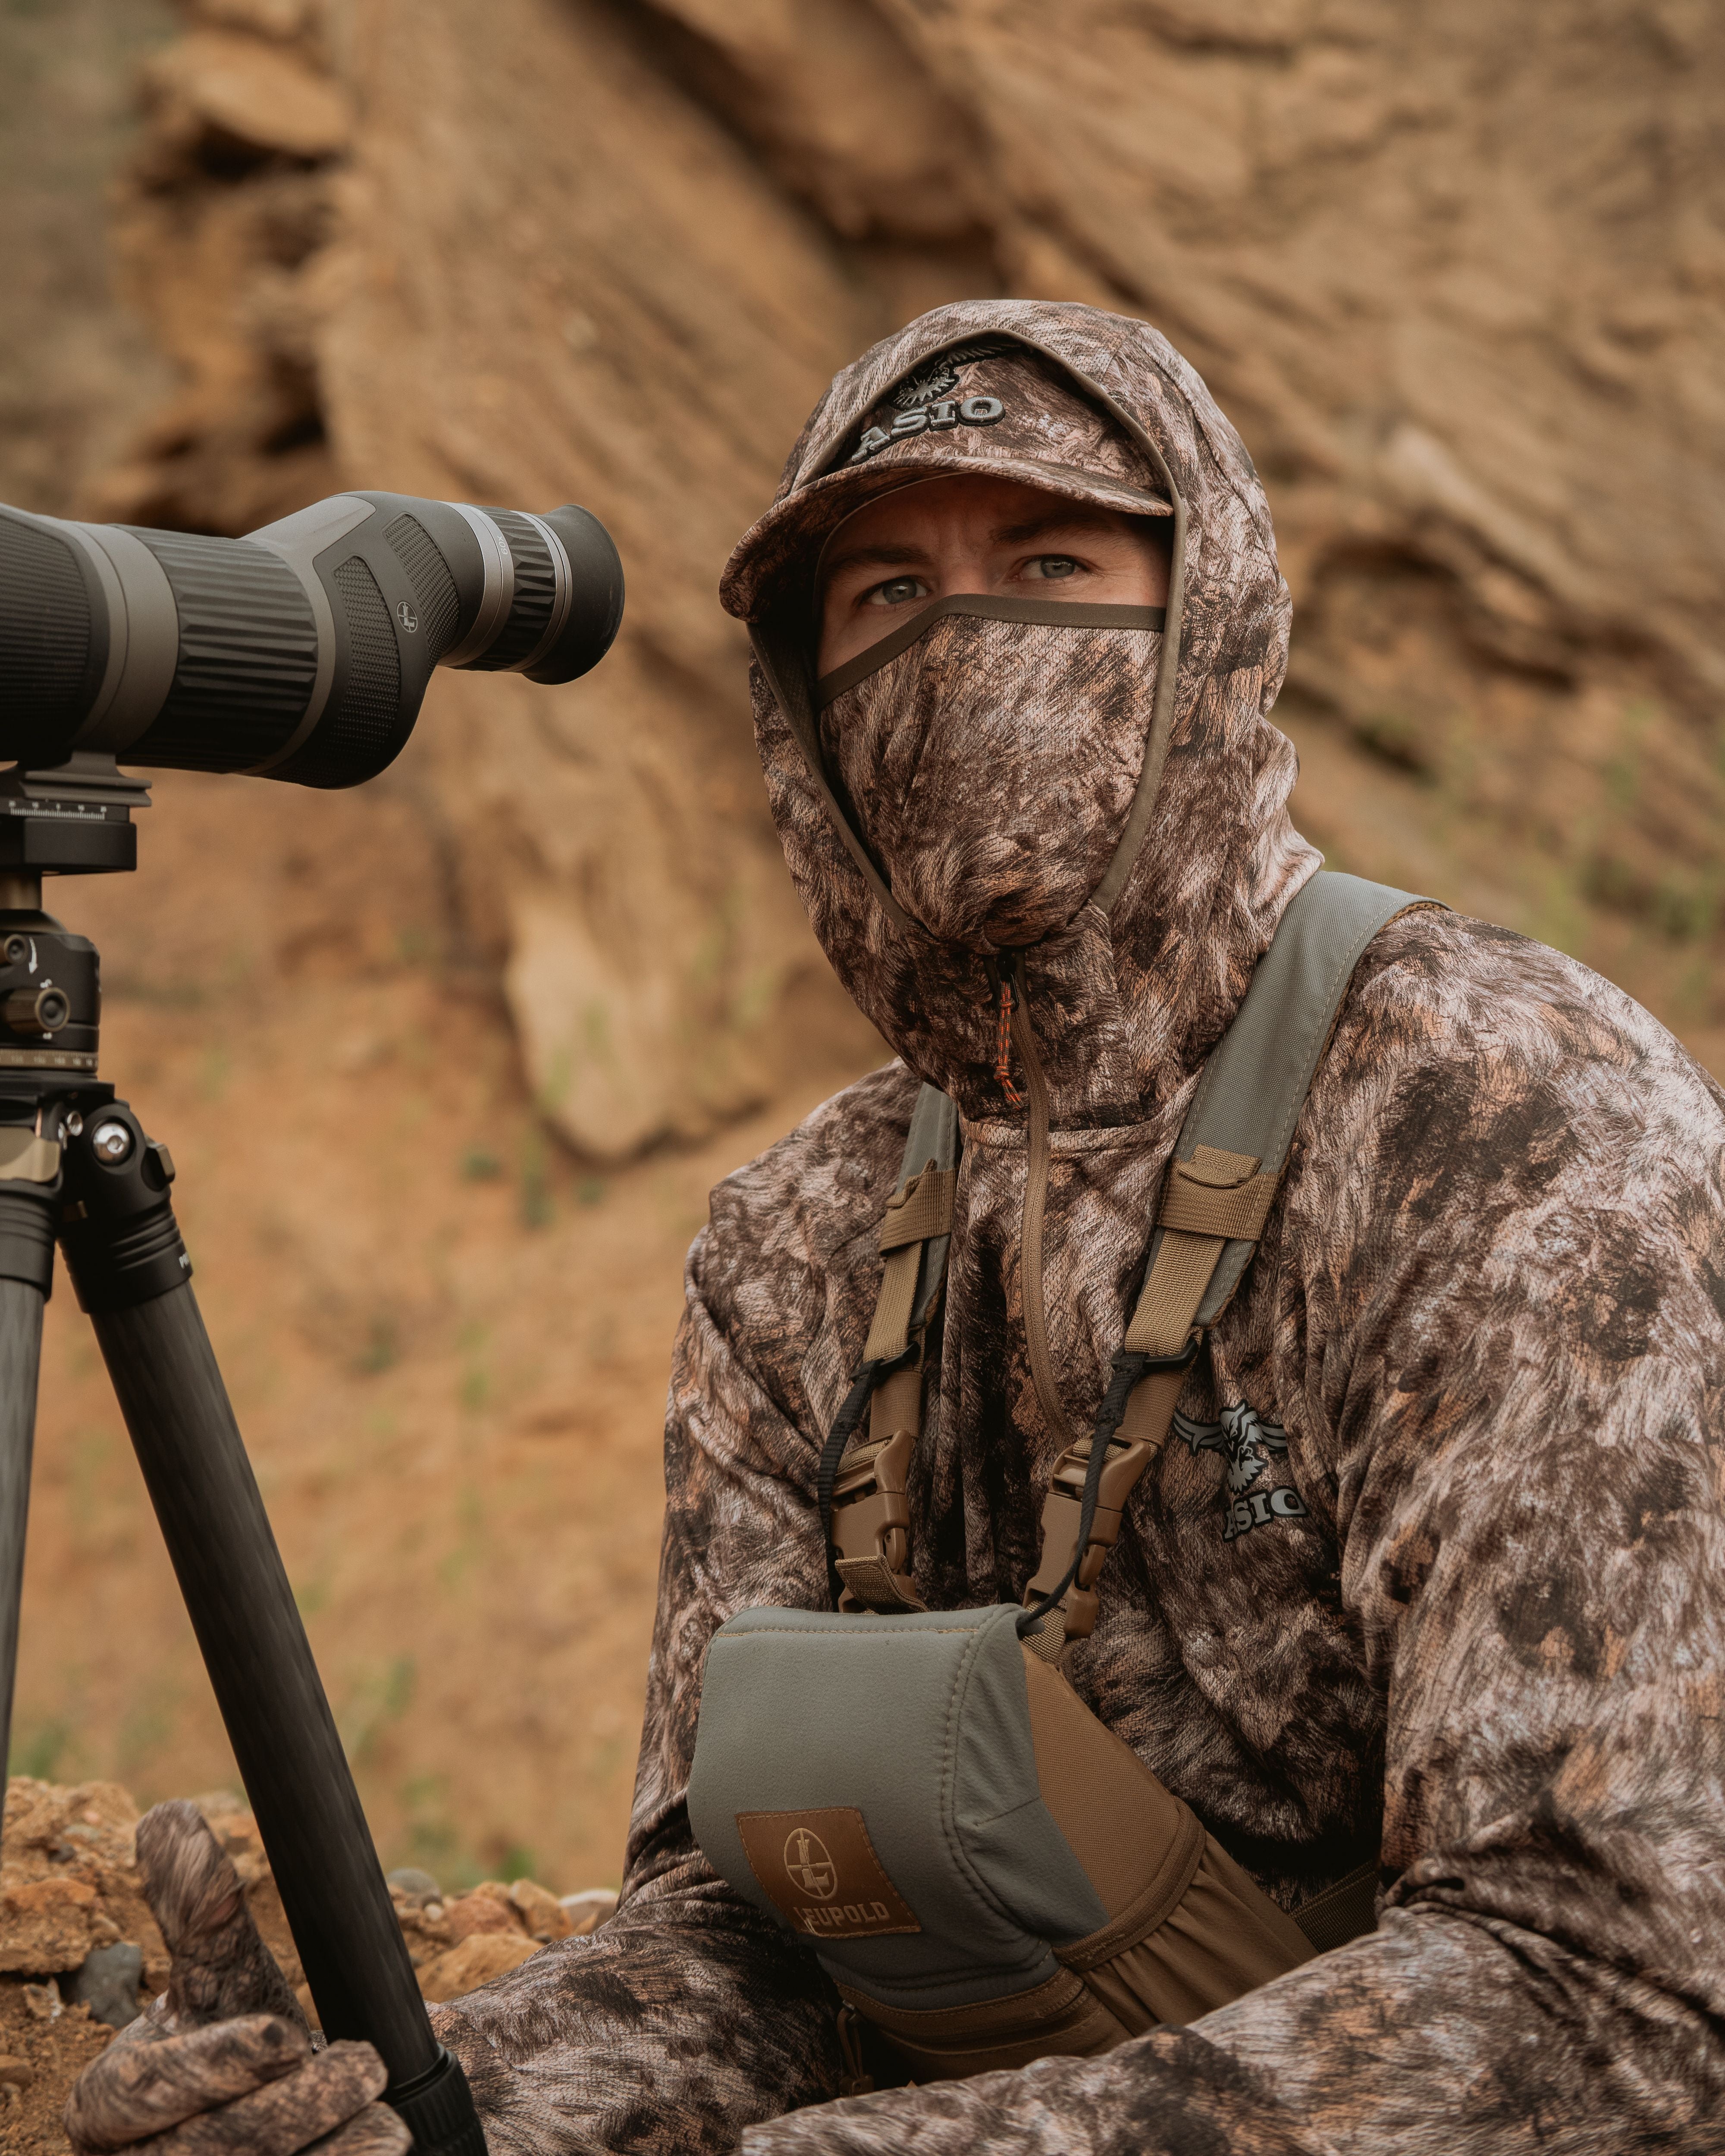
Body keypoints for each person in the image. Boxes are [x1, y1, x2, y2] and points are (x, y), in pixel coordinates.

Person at [68, 302, 1725, 2154]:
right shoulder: (800, 1238)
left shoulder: (1503, 1118)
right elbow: (741, 1941)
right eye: (881, 597)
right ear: (804, 701)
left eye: (1047, 558)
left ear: (1211, 619)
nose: (963, 645)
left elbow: (1616, 1994)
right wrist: (428, 2105)